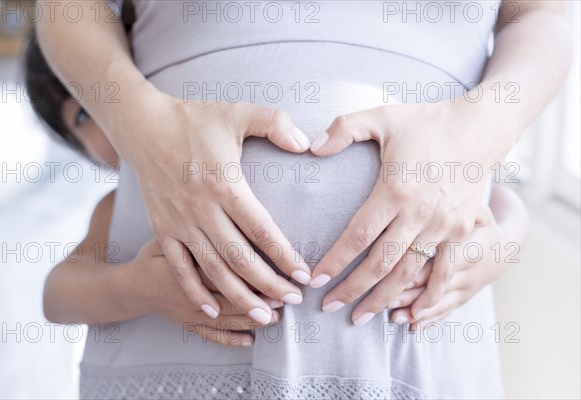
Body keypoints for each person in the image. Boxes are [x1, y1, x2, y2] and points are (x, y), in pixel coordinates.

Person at [35, 0, 570, 398]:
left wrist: (477, 142)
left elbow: (544, 15)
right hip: (173, 358)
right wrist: (141, 125)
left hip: (408, 350)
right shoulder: (108, 206)